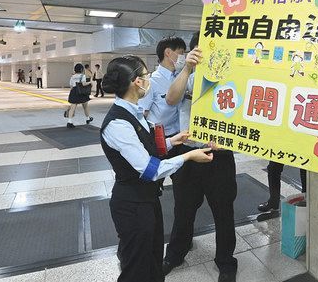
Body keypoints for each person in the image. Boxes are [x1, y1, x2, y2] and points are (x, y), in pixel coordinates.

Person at [99, 55, 215, 282]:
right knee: (136, 269)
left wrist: (173, 141)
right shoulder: (118, 124)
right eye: (145, 75)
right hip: (131, 206)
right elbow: (150, 169)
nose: (149, 78)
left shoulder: (134, 112)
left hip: (148, 200)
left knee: (152, 262)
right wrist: (189, 156)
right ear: (137, 82)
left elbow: (147, 146)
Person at [162, 32, 238, 281]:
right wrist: (186, 69)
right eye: (200, 48)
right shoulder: (187, 75)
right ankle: (176, 253)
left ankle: (226, 261)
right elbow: (172, 99)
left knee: (223, 211)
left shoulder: (233, 77)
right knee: (183, 208)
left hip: (221, 155)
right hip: (189, 153)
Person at [66, 63, 93, 128]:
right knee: (85, 106)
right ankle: (88, 118)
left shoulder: (72, 76)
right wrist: (90, 82)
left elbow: (71, 86)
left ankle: (69, 122)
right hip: (81, 93)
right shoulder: (82, 76)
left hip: (74, 92)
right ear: (81, 69)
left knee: (72, 108)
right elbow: (83, 84)